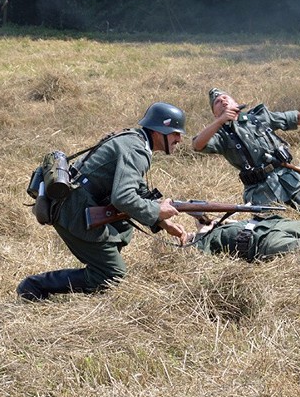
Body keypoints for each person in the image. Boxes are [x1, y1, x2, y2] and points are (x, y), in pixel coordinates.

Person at [17, 102, 189, 301]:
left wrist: (162, 222)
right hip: (74, 209)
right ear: (160, 131)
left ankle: (98, 270)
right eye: (176, 133)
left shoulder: (133, 140)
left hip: (75, 203)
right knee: (111, 275)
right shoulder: (137, 150)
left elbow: (134, 187)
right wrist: (157, 211)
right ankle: (34, 286)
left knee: (121, 230)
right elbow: (123, 197)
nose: (179, 139)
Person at [192, 88, 300, 218]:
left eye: (226, 98)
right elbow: (197, 145)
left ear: (236, 103)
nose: (223, 101)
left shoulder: (259, 117)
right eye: (217, 102)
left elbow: (295, 118)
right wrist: (220, 122)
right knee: (274, 228)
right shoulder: (221, 135)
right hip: (261, 190)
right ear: (215, 113)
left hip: (288, 178)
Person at [185, 214, 300, 261]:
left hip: (278, 225)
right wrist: (201, 232)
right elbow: (196, 257)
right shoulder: (205, 241)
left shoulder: (222, 224)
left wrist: (219, 221)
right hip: (265, 243)